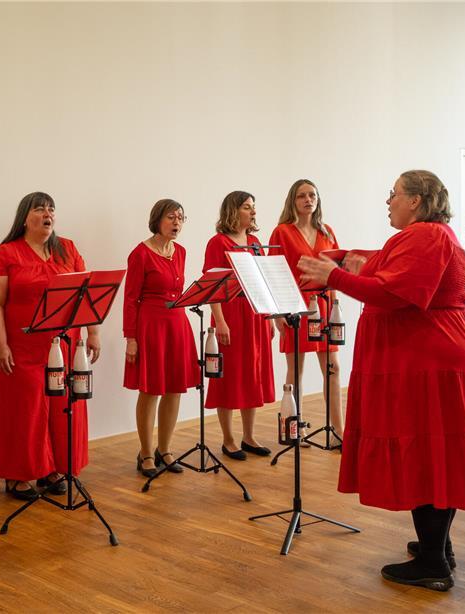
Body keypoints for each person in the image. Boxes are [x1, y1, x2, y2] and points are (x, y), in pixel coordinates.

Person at [297, 170, 465, 591]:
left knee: (426, 453)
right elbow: (383, 263)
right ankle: (437, 546)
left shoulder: (427, 235)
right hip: (434, 357)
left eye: (393, 194)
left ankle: (433, 563)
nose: (388, 201)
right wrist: (344, 257)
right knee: (436, 454)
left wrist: (333, 277)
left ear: (416, 200)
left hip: (431, 361)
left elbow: (398, 292)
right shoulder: (427, 236)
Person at [0, 192, 101, 499]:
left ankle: (54, 467)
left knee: (62, 406)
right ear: (26, 217)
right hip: (22, 345)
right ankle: (18, 473)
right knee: (26, 408)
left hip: (64, 344)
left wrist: (94, 333)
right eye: (40, 209)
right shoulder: (8, 252)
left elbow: (86, 293)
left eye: (51, 209)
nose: (48, 214)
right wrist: (1, 344)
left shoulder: (68, 249)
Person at [123, 199, 199, 477]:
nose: (177, 222)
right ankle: (145, 452)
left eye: (181, 217)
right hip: (150, 324)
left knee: (174, 388)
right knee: (151, 389)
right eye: (171, 217)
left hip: (177, 322)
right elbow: (130, 299)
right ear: (158, 220)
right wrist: (130, 338)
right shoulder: (140, 254)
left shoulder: (180, 251)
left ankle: (165, 449)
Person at [269, 179, 344, 443]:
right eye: (302, 196)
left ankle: (336, 431)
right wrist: (278, 314)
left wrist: (336, 307)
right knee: (295, 370)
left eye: (312, 195)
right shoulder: (282, 232)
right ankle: (294, 429)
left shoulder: (328, 231)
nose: (308, 200)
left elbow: (336, 271)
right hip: (296, 307)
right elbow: (275, 274)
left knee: (333, 367)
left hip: (324, 306)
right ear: (293, 200)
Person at [203, 191, 275, 460]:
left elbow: (262, 283)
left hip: (254, 314)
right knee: (229, 376)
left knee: (251, 374)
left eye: (253, 207)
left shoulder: (255, 242)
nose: (253, 212)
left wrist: (267, 318)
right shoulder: (217, 243)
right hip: (230, 315)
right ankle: (228, 439)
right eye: (247, 207)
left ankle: (249, 436)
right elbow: (211, 285)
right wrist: (219, 321)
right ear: (234, 210)